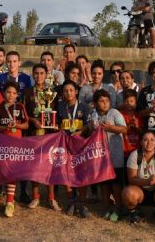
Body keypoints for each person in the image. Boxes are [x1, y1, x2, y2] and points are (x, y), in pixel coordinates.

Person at [22, 64, 60, 210]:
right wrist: (33, 120)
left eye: (42, 73)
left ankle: (51, 198)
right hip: (33, 132)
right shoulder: (27, 92)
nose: (39, 76)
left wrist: (53, 123)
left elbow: (56, 110)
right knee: (34, 165)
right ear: (33, 75)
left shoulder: (53, 91)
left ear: (46, 74)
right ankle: (35, 197)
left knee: (50, 164)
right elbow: (23, 112)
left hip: (49, 134)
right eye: (36, 73)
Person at [0, 82, 29, 217]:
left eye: (13, 93)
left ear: (17, 95)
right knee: (2, 169)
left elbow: (26, 125)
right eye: (8, 92)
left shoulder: (20, 106)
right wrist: (4, 128)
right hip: (2, 144)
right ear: (3, 92)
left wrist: (17, 125)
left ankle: (10, 202)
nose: (10, 95)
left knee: (12, 171)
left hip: (16, 143)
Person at [121, 131, 155, 228]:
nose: (149, 143)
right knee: (128, 192)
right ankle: (134, 214)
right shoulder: (135, 155)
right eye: (145, 140)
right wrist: (147, 181)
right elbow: (131, 180)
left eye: (152, 140)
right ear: (141, 142)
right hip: (140, 191)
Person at [56, 80, 91, 218]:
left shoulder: (84, 107)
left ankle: (81, 202)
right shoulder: (60, 106)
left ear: (76, 91)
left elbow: (89, 125)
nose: (68, 93)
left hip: (80, 144)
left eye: (71, 90)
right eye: (65, 91)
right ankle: (71, 200)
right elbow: (58, 124)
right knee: (67, 171)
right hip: (65, 144)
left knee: (81, 171)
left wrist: (81, 132)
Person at [92, 89, 127, 222]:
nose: (105, 103)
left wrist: (110, 128)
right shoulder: (94, 115)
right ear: (95, 103)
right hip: (100, 157)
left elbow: (124, 129)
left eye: (107, 101)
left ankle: (118, 208)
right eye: (102, 101)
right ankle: (107, 208)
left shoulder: (114, 113)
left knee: (116, 184)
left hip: (115, 156)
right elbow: (90, 129)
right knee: (104, 184)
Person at [119, 88, 143, 160]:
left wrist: (137, 127)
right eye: (126, 101)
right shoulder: (120, 115)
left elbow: (142, 133)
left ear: (136, 102)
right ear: (123, 102)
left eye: (131, 101)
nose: (129, 103)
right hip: (123, 151)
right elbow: (119, 131)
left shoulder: (139, 115)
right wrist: (129, 125)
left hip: (137, 152)